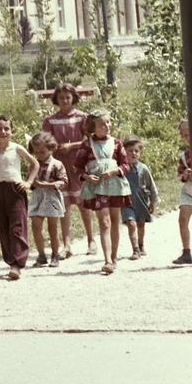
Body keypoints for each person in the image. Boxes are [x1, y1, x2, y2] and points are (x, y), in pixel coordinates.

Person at [0, 115, 38, 280]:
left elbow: (34, 164)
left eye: (6, 128)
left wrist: (28, 182)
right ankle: (10, 260)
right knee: (3, 227)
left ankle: (17, 264)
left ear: (12, 131)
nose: (3, 132)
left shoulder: (17, 149)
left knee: (17, 227)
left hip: (15, 190)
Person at [41, 83, 92, 257]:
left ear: (73, 98)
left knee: (83, 204)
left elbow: (90, 141)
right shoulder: (50, 120)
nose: (64, 101)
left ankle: (91, 240)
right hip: (59, 166)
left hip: (78, 164)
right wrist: (55, 147)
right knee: (64, 206)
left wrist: (72, 146)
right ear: (56, 99)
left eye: (68, 97)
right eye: (61, 98)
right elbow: (44, 142)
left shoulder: (81, 117)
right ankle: (67, 244)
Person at [78, 110, 130, 275]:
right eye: (102, 124)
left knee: (115, 221)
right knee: (104, 222)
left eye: (108, 122)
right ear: (93, 127)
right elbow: (77, 166)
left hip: (115, 186)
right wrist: (86, 176)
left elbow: (126, 165)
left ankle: (114, 258)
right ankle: (107, 259)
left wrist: (114, 171)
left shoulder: (116, 143)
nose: (107, 126)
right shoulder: (87, 145)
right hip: (98, 187)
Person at [26, 131, 67, 269]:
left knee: (52, 228)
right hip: (38, 197)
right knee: (36, 226)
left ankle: (55, 254)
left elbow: (63, 181)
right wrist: (30, 184)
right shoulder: (33, 164)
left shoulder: (56, 164)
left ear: (50, 148)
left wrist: (47, 185)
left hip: (52, 198)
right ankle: (41, 255)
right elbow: (29, 180)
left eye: (42, 151)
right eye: (36, 152)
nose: (39, 155)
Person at [119, 137, 158, 260]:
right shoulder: (120, 169)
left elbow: (151, 186)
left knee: (141, 224)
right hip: (126, 201)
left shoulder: (143, 168)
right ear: (124, 151)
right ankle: (135, 249)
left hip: (141, 200)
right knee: (131, 223)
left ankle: (141, 245)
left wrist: (153, 202)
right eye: (130, 150)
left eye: (137, 151)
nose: (134, 153)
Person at [173, 120, 192, 265]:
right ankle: (186, 252)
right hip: (189, 191)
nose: (188, 138)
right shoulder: (184, 155)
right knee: (183, 219)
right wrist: (185, 176)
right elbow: (179, 175)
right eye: (185, 135)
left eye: (191, 134)